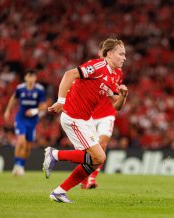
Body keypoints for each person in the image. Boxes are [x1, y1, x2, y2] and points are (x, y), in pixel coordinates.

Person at [42, 38, 128, 203]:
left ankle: (59, 192)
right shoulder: (98, 66)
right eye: (121, 54)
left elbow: (116, 106)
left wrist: (123, 96)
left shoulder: (115, 74)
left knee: (94, 160)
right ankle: (54, 155)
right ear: (109, 54)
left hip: (85, 120)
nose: (124, 57)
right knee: (99, 158)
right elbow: (69, 74)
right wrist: (61, 101)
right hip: (73, 118)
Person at [80, 42, 122, 189]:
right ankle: (84, 177)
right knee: (90, 149)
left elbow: (114, 96)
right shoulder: (94, 69)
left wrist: (120, 94)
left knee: (102, 143)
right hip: (90, 114)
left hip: (108, 114)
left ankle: (92, 178)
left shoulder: (118, 72)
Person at [3, 70, 47, 176]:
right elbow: (13, 99)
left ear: (35, 78)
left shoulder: (40, 90)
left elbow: (43, 106)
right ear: (25, 78)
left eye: (33, 76)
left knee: (27, 147)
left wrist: (34, 111)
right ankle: (17, 165)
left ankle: (21, 165)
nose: (31, 79)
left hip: (33, 121)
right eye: (29, 76)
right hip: (21, 118)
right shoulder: (20, 88)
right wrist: (7, 110)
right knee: (20, 142)